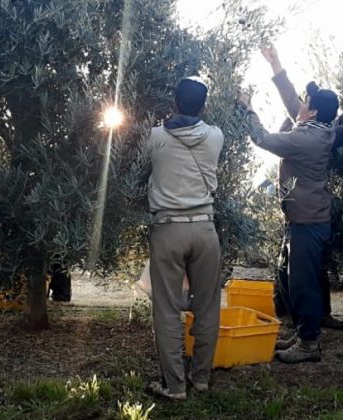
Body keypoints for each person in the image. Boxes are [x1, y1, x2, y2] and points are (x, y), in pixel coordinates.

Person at [238, 44, 343, 363]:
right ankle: (302, 333)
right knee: (287, 279)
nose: (299, 104)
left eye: (305, 103)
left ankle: (309, 344)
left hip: (308, 222)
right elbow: (292, 100)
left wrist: (247, 108)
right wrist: (276, 63)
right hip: (302, 220)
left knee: (303, 284)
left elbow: (262, 138)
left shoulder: (305, 139)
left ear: (313, 111)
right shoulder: (317, 129)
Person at [146, 76, 224, 400]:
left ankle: (175, 386)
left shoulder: (154, 138)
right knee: (207, 307)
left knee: (166, 310)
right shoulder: (216, 136)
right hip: (206, 230)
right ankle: (201, 378)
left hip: (169, 229)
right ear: (204, 106)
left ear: (174, 102)